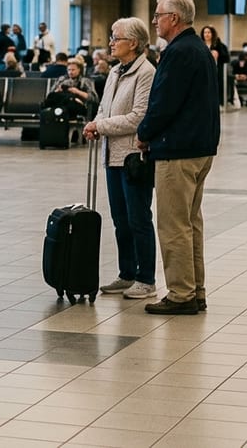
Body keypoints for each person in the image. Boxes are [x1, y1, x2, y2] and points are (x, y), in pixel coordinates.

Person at [137, 0, 220, 315]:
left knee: (173, 225)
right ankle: (195, 290)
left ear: (174, 18)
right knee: (190, 224)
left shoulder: (179, 52)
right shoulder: (198, 49)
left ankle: (181, 294)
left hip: (178, 151)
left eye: (158, 15)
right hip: (200, 148)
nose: (155, 20)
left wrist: (144, 134)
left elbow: (164, 103)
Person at [83, 18, 157, 301]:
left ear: (134, 43)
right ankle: (127, 272)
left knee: (138, 217)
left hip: (133, 157)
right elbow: (104, 108)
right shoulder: (115, 71)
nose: (111, 43)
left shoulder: (146, 73)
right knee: (120, 219)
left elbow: (138, 117)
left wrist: (100, 126)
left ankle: (146, 278)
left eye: (116, 38)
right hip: (112, 156)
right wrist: (95, 123)